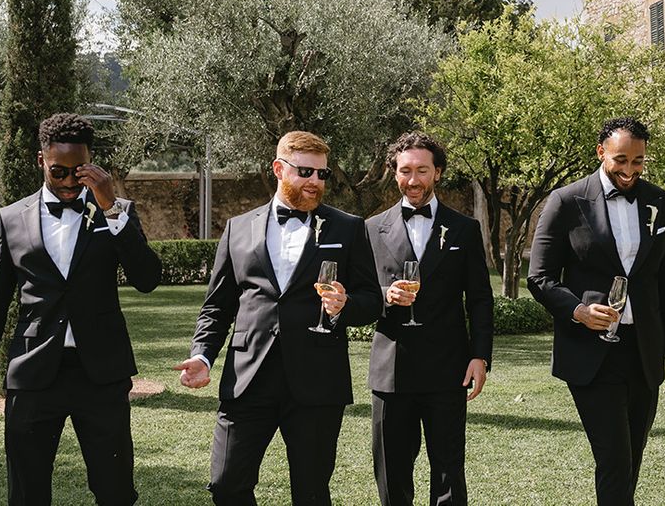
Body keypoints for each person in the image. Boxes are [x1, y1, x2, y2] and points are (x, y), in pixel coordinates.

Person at [0, 113, 162, 506]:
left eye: (76, 172)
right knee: (27, 495)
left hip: (101, 375)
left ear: (92, 164)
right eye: (58, 172)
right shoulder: (11, 220)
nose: (67, 183)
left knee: (115, 491)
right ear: (40, 161)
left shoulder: (116, 212)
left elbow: (147, 278)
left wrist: (110, 206)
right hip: (33, 377)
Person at [175, 130, 382, 506]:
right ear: (278, 168)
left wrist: (345, 304)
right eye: (305, 172)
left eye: (322, 174)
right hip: (248, 378)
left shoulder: (348, 227)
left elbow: (372, 300)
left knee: (312, 493)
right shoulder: (239, 227)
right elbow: (218, 305)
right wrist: (203, 354)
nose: (315, 182)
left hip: (317, 382)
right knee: (226, 485)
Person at [527, 116, 665, 506]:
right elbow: (540, 277)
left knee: (631, 459)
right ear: (601, 152)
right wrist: (579, 311)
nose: (629, 171)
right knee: (615, 458)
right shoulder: (566, 201)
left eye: (638, 162)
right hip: (590, 354)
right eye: (621, 160)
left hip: (643, 352)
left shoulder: (660, 202)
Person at [366, 131, 494, 506]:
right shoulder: (371, 229)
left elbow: (481, 300)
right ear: (395, 174)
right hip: (391, 371)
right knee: (392, 473)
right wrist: (384, 298)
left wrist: (480, 356)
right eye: (405, 170)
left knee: (449, 472)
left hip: (447, 369)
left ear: (437, 172)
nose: (413, 179)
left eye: (422, 170)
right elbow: (360, 297)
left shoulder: (465, 229)